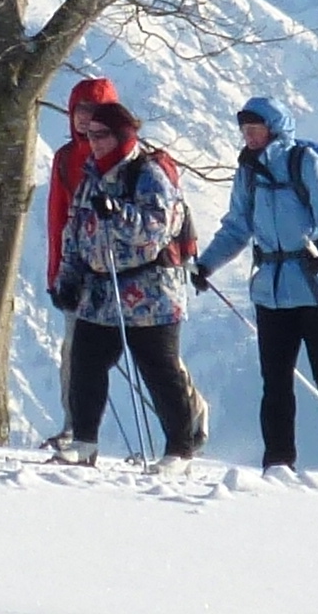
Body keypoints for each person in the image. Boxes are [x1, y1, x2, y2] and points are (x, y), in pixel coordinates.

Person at [193, 94, 318, 488]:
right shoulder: (248, 173)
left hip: (315, 288)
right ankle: (278, 465)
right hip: (271, 292)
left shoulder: (305, 163)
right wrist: (206, 264)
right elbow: (237, 228)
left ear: (272, 128)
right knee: (274, 383)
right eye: (244, 130)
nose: (248, 136)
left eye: (254, 129)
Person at [48, 94, 206, 466]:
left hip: (150, 294)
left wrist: (117, 213)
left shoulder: (147, 174)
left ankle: (179, 451)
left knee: (160, 372)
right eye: (91, 134)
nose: (94, 141)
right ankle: (84, 442)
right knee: (85, 366)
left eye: (102, 135)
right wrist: (67, 278)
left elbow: (156, 229)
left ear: (122, 137)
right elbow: (76, 230)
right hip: (101, 291)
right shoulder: (91, 175)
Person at [41, 73, 124, 312]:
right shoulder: (65, 158)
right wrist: (55, 276)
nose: (84, 117)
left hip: (124, 272)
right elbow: (57, 221)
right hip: (78, 271)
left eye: (93, 109)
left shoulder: (129, 158)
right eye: (79, 109)